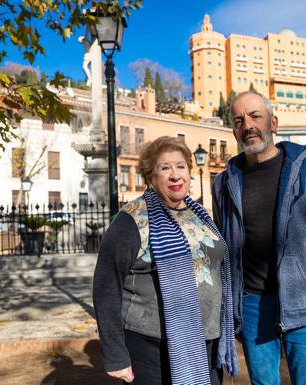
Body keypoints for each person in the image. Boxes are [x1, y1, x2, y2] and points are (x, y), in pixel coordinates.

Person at [212, 91, 306, 385]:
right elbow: (225, 246)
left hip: (305, 304)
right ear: (234, 130)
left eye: (255, 116)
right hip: (252, 305)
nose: (247, 125)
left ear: (273, 122)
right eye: (238, 120)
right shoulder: (224, 183)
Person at [93, 136, 238, 385]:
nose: (175, 175)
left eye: (181, 166)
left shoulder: (199, 214)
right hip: (151, 344)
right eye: (165, 168)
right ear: (150, 177)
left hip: (206, 339)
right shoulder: (132, 220)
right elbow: (106, 287)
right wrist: (116, 354)